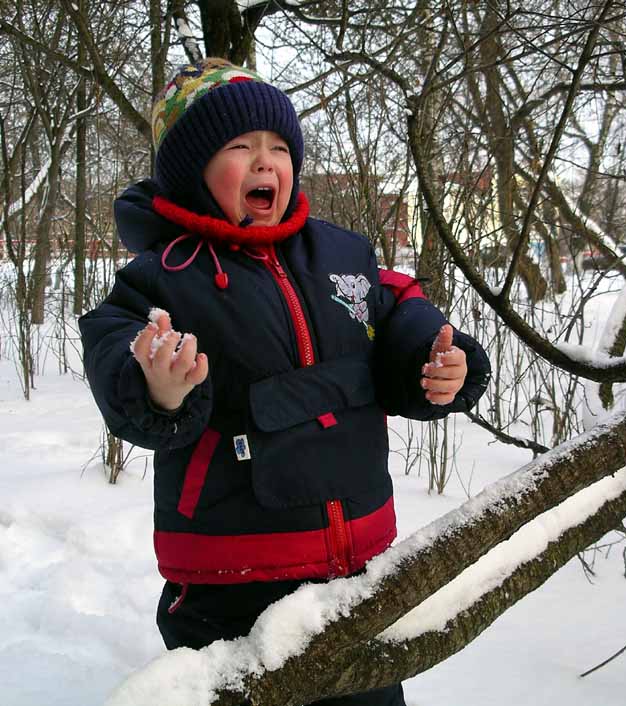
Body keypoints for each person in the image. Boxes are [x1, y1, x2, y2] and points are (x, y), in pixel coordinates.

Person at [79, 57, 490, 706]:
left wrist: (434, 363)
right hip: (227, 578)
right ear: (193, 174)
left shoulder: (341, 253)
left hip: (356, 564)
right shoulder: (164, 277)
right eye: (239, 148)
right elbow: (113, 344)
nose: (265, 161)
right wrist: (157, 388)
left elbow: (398, 309)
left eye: (278, 146)